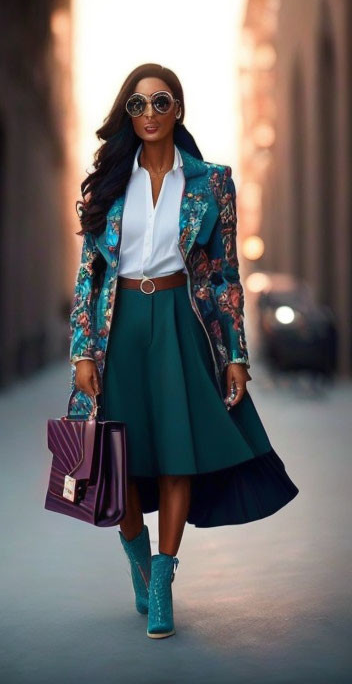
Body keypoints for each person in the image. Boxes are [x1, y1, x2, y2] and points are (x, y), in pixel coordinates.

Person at [67, 63, 298, 639]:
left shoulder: (211, 182)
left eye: (160, 102)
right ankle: (139, 560)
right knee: (115, 462)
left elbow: (224, 275)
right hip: (117, 325)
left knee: (176, 452)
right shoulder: (108, 185)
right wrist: (82, 350)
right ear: (128, 114)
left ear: (178, 109)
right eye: (137, 106)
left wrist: (237, 354)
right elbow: (88, 276)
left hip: (179, 321)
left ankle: (164, 581)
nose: (148, 114)